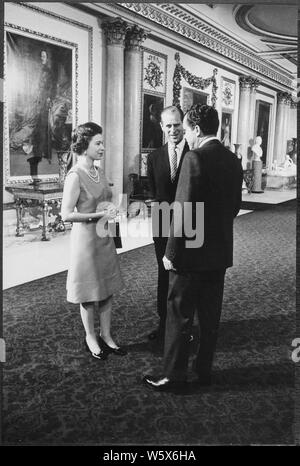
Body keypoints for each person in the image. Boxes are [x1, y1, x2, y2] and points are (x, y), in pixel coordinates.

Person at [144, 104, 243, 390]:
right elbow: (234, 208)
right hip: (220, 252)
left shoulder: (195, 158)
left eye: (185, 129)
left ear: (196, 130)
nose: (183, 135)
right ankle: (202, 372)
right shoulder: (232, 159)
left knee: (179, 312)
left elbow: (183, 210)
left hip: (189, 254)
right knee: (210, 317)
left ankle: (173, 376)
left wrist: (171, 253)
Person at [61, 122, 126, 360]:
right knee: (89, 293)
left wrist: (112, 210)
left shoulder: (99, 172)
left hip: (104, 236)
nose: (102, 148)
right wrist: (98, 215)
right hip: (86, 242)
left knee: (107, 289)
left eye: (102, 143)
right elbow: (66, 214)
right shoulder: (74, 176)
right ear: (84, 145)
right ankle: (90, 337)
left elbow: (105, 201)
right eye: (97, 143)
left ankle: (107, 335)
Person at [147, 105, 190, 344]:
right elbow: (154, 194)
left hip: (192, 222)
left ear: (183, 124)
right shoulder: (154, 157)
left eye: (177, 124)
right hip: (162, 222)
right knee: (164, 274)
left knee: (187, 274)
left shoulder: (195, 152)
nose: (173, 129)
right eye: (168, 125)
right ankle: (164, 324)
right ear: (162, 127)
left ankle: (185, 325)